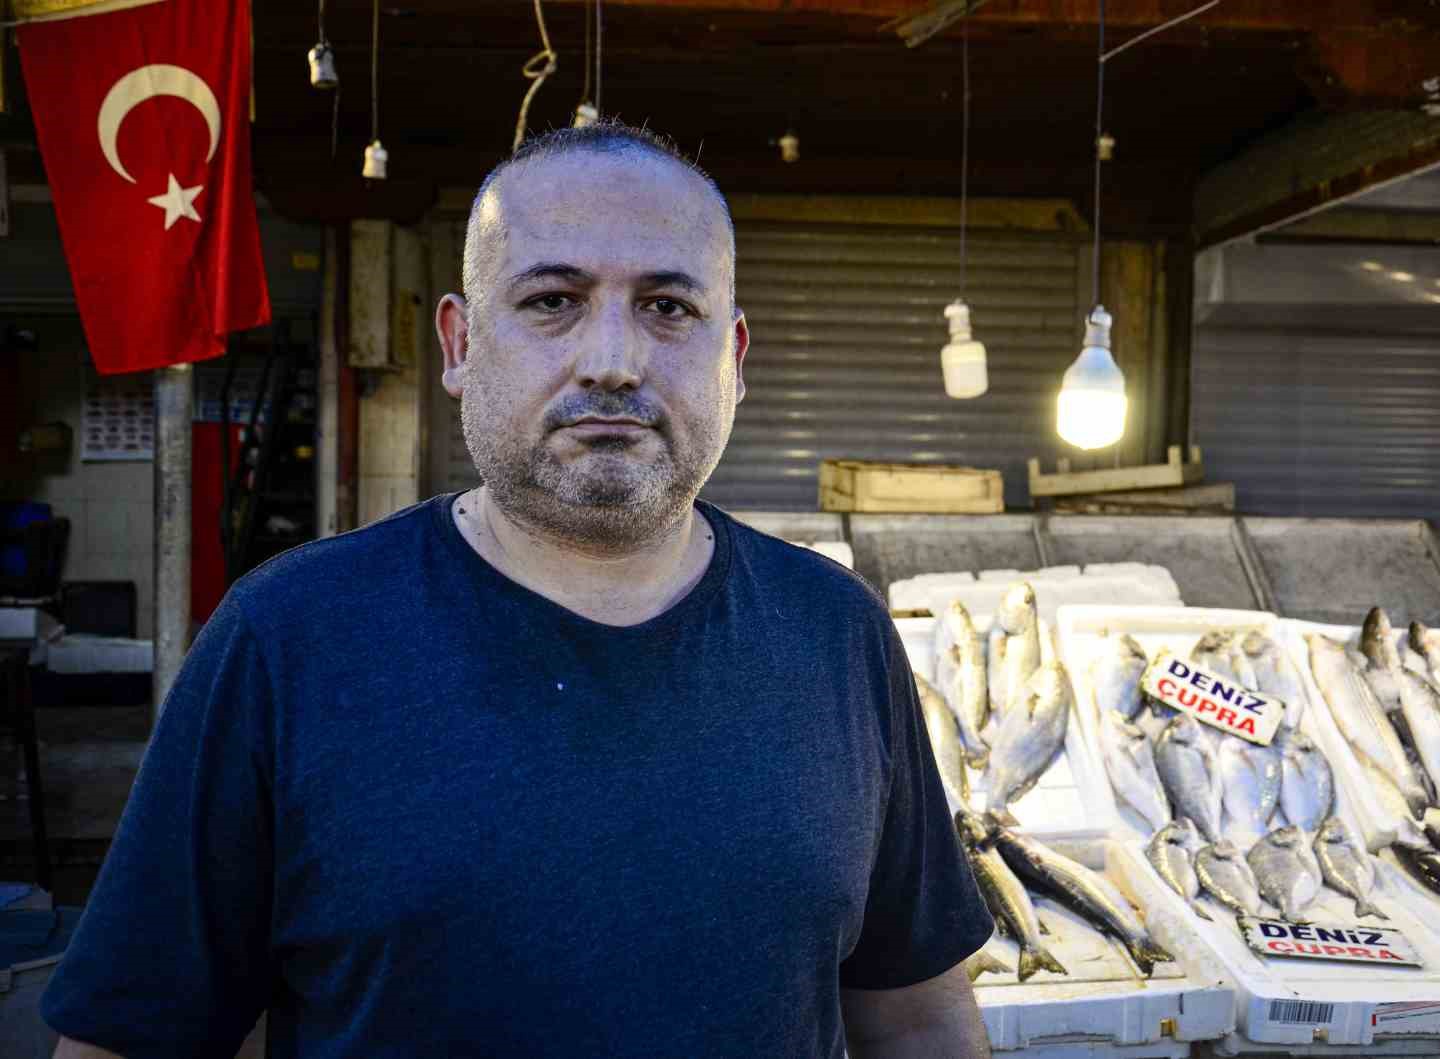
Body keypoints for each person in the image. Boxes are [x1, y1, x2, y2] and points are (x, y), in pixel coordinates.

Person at [42, 122, 995, 1058]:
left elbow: (916, 1020)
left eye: (668, 307)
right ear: (459, 344)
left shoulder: (835, 633)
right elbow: (128, 1039)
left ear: (734, 361)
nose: (613, 359)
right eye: (552, 301)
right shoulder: (287, 640)